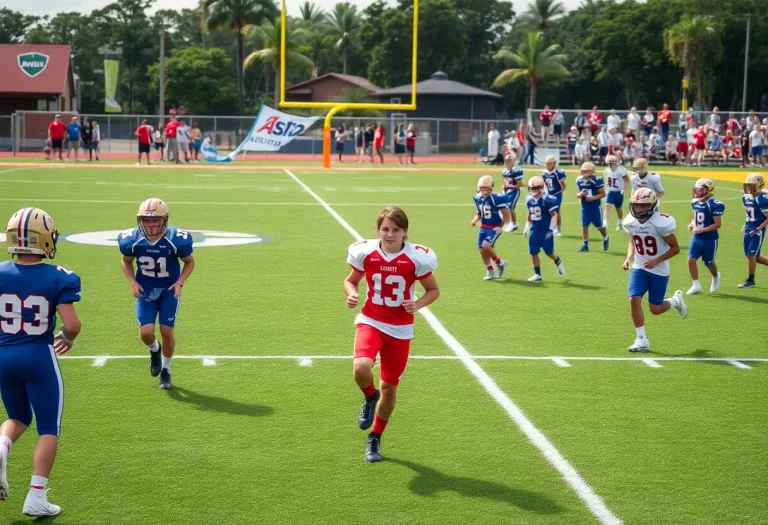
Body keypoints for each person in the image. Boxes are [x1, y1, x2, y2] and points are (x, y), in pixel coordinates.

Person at [0, 207, 82, 517]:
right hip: (38, 354)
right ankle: (35, 496)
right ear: (45, 238)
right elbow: (72, 324)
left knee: (18, 416)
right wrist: (68, 338)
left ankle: (2, 446)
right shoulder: (57, 276)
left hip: (3, 354)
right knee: (48, 427)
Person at [344, 206, 439, 463]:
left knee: (389, 386)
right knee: (361, 368)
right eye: (385, 229)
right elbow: (350, 279)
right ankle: (368, 396)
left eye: (395, 230)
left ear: (405, 232)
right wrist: (351, 292)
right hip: (371, 320)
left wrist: (417, 304)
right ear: (378, 230)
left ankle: (375, 436)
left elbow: (433, 290)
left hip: (400, 328)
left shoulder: (416, 258)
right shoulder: (366, 253)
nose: (389, 234)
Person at [117, 199, 195, 390]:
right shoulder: (132, 239)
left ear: (165, 220)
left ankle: (166, 370)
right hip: (146, 290)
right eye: (146, 220)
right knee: (145, 333)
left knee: (167, 331)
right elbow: (126, 261)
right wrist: (133, 282)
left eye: (155, 220)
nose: (150, 225)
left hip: (169, 289)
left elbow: (190, 262)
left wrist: (180, 283)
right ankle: (155, 350)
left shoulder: (176, 239)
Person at [622, 188, 687, 352]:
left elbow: (675, 248)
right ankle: (641, 339)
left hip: (658, 270)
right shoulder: (630, 222)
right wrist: (628, 258)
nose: (639, 209)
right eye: (636, 206)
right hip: (639, 267)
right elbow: (633, 241)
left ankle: (675, 301)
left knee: (655, 309)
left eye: (643, 206)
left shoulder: (661, 223)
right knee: (633, 299)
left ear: (652, 205)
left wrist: (656, 260)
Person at [523, 176, 565, 282]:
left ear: (542, 188)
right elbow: (530, 214)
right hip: (535, 230)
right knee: (533, 252)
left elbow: (554, 215)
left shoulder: (547, 200)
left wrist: (551, 229)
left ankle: (557, 260)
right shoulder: (529, 199)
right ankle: (538, 274)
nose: (534, 190)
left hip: (545, 230)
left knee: (549, 252)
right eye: (532, 188)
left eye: (536, 188)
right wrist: (526, 226)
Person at [686, 178, 723, 295]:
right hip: (696, 238)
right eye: (696, 190)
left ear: (709, 191)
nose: (697, 193)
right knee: (691, 260)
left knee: (709, 263)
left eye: (700, 191)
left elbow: (718, 224)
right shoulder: (694, 202)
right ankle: (696, 284)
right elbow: (694, 217)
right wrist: (692, 224)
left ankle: (716, 276)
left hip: (710, 239)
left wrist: (701, 230)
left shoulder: (713, 205)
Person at [471, 175, 512, 280]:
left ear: (491, 188)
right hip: (484, 227)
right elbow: (479, 213)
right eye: (482, 188)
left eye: (487, 188)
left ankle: (500, 263)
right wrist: (475, 219)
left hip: (494, 227)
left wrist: (501, 226)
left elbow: (506, 212)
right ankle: (490, 271)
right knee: (482, 250)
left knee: (486, 246)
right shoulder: (477, 198)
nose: (484, 191)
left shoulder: (496, 198)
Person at [738, 174, 768, 289]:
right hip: (748, 229)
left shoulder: (762, 199)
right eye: (748, 186)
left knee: (751, 255)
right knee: (755, 257)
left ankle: (751, 281)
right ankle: (750, 281)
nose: (749, 188)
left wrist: (758, 228)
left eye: (752, 186)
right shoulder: (746, 197)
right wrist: (745, 225)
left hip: (757, 231)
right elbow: (749, 214)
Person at [575, 162, 609, 252]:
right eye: (583, 170)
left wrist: (593, 198)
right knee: (584, 226)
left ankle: (605, 237)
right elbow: (577, 194)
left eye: (587, 170)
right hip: (585, 207)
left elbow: (603, 194)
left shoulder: (596, 180)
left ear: (592, 171)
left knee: (599, 226)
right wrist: (580, 194)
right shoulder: (579, 180)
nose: (585, 172)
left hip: (595, 207)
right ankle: (585, 245)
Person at [541, 156, 566, 235]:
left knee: (556, 211)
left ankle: (558, 229)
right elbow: (544, 184)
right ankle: (552, 227)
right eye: (546, 163)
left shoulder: (558, 173)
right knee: (548, 212)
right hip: (548, 194)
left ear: (553, 164)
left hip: (557, 194)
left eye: (549, 163)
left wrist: (558, 193)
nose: (547, 165)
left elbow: (563, 186)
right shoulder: (544, 173)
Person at [603, 154, 629, 231]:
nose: (610, 165)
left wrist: (623, 189)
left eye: (611, 163)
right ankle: (605, 223)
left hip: (618, 192)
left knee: (618, 208)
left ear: (616, 163)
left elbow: (627, 180)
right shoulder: (607, 170)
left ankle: (620, 222)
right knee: (607, 206)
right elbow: (608, 180)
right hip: (610, 192)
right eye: (609, 163)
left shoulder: (621, 171)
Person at [501, 153, 523, 232]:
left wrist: (511, 187)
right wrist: (504, 187)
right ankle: (506, 223)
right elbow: (506, 180)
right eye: (506, 160)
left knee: (510, 207)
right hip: (506, 191)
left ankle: (514, 224)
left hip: (514, 191)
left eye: (509, 160)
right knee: (503, 207)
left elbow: (520, 183)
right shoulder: (504, 171)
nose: (507, 162)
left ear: (513, 161)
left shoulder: (516, 171)